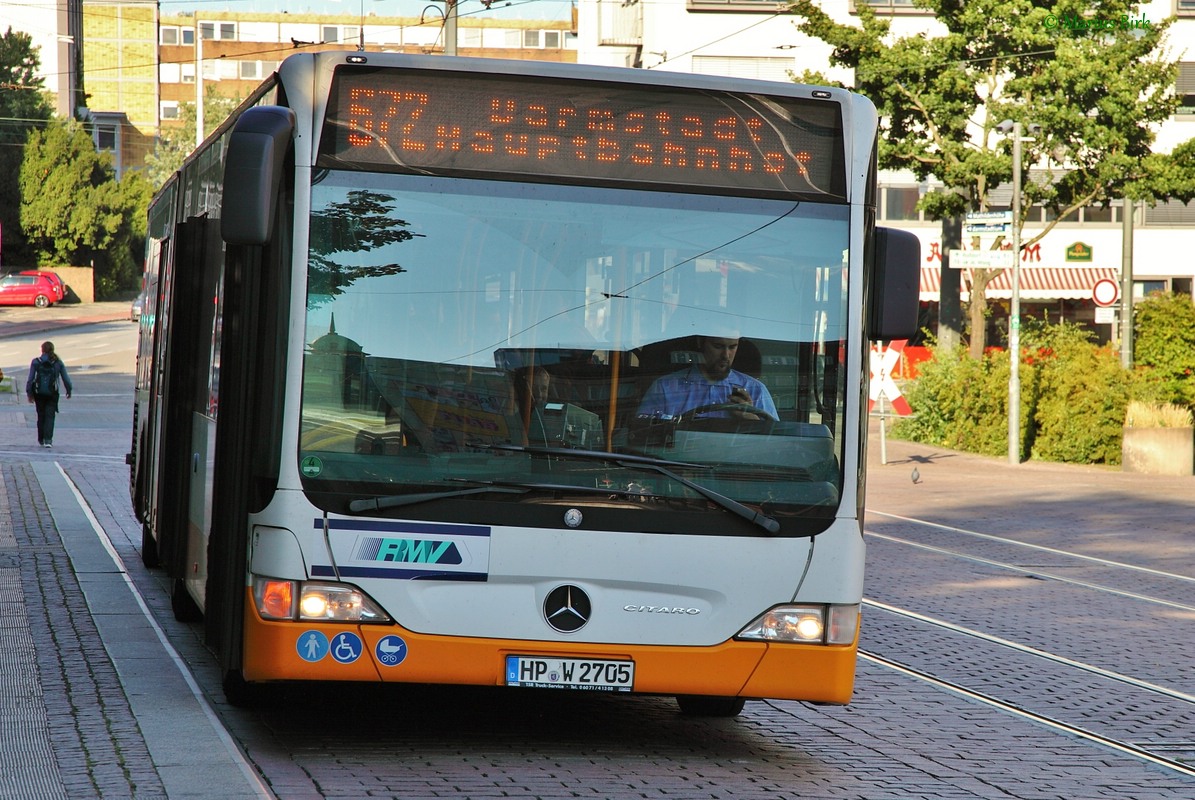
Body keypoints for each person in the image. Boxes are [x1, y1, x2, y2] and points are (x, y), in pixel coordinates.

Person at [637, 335, 777, 421]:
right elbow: (642, 434)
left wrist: (751, 419)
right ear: (700, 342)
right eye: (718, 346)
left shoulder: (755, 389)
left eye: (732, 347)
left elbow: (776, 444)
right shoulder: (665, 388)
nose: (726, 355)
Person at [25, 341, 73, 448]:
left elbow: (30, 379)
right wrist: (69, 390)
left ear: (42, 350)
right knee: (50, 416)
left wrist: (29, 393)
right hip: (52, 393)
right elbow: (66, 379)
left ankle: (41, 439)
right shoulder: (57, 363)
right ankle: (48, 440)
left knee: (41, 415)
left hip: (39, 393)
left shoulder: (36, 362)